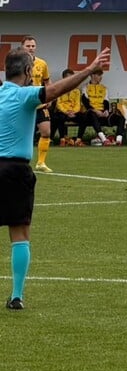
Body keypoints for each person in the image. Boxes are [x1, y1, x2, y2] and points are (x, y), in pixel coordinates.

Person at [0, 45, 110, 310]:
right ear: (29, 71)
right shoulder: (26, 95)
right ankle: (16, 296)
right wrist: (89, 70)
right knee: (20, 233)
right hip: (15, 170)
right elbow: (57, 90)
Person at [20, 36, 54, 172]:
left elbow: (47, 81)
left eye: (33, 46)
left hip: (39, 103)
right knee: (22, 134)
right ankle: (20, 161)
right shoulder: (18, 63)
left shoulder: (42, 64)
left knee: (46, 131)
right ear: (22, 47)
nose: (31, 48)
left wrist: (49, 96)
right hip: (24, 103)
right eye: (28, 46)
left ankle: (41, 162)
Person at [77, 68, 125, 145]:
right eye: (98, 75)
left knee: (121, 118)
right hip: (90, 113)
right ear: (92, 75)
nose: (100, 77)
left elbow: (106, 101)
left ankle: (119, 140)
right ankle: (104, 139)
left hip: (102, 113)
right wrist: (96, 111)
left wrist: (106, 111)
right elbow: (85, 102)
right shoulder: (85, 87)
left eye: (101, 75)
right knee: (92, 114)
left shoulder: (104, 88)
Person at [51, 68, 82, 143]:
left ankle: (78, 139)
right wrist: (66, 112)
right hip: (63, 112)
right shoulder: (59, 89)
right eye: (68, 78)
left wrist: (73, 111)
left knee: (83, 118)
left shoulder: (76, 91)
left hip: (74, 112)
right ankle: (62, 138)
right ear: (64, 79)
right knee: (58, 117)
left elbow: (78, 104)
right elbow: (59, 104)